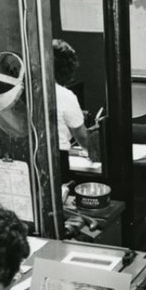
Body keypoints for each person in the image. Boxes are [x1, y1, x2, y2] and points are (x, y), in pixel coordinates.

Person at [53, 39, 91, 183]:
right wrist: (93, 154)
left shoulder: (27, 91)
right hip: (57, 159)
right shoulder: (65, 95)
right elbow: (81, 136)